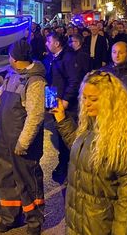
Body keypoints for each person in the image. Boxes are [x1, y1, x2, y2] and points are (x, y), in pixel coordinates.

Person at [51, 70, 127, 234]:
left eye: (93, 99)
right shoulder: (94, 124)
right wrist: (63, 120)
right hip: (82, 224)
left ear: (111, 101)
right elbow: (84, 151)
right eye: (84, 97)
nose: (86, 103)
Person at [0, 40, 46, 235]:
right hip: (6, 140)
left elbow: (35, 116)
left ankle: (34, 222)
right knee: (7, 179)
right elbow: (0, 95)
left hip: (22, 144)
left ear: (16, 59)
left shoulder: (35, 82)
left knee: (28, 181)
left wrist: (23, 143)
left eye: (9, 55)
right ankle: (10, 218)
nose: (8, 58)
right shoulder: (12, 75)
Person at [44, 32, 81, 181]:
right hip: (54, 99)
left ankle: (66, 166)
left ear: (57, 44)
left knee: (66, 134)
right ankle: (63, 164)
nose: (46, 43)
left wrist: (66, 100)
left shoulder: (68, 58)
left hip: (67, 105)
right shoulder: (51, 58)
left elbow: (74, 81)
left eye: (49, 41)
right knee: (59, 131)